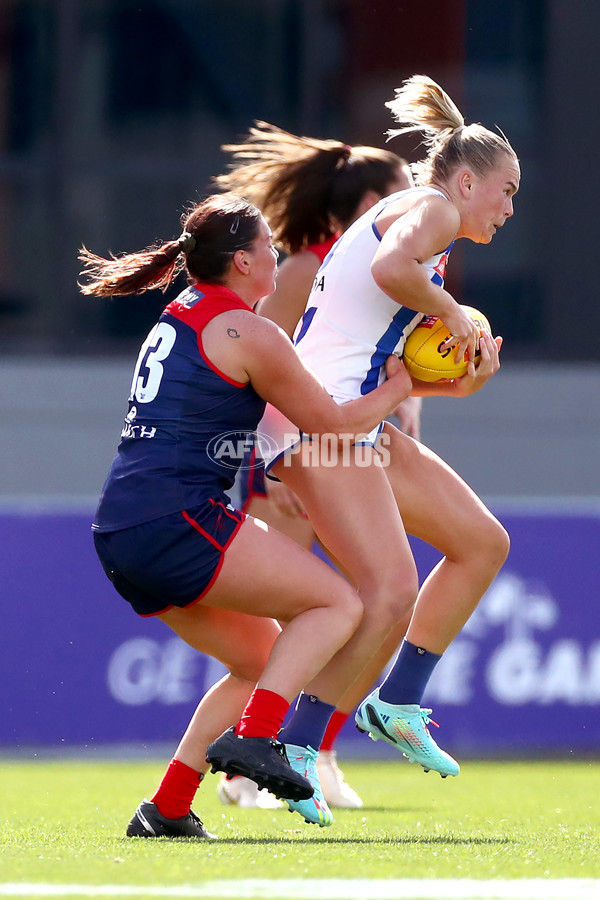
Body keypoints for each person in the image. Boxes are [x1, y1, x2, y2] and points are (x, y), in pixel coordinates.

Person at [78, 193, 412, 839]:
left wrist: (277, 465)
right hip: (175, 518)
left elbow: (251, 415)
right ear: (241, 261)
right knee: (336, 606)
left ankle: (167, 808)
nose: (279, 259)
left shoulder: (183, 313)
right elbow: (335, 422)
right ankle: (257, 739)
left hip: (124, 527)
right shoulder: (249, 330)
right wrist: (404, 382)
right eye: (269, 248)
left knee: (262, 662)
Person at [253, 74, 519, 827]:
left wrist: (461, 385)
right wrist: (456, 318)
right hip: (327, 426)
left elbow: (385, 355)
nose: (508, 208)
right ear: (466, 181)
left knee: (481, 544)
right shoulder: (432, 208)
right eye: (504, 191)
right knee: (391, 593)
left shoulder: (423, 214)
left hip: (356, 421)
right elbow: (388, 273)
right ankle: (298, 747)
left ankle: (397, 702)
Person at [212, 122, 418, 810]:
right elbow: (265, 371)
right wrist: (278, 464)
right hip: (293, 458)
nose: (401, 214)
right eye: (386, 203)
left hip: (340, 446)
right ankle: (248, 765)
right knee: (287, 626)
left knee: (350, 607)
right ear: (342, 216)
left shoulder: (378, 280)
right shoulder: (305, 271)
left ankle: (309, 750)